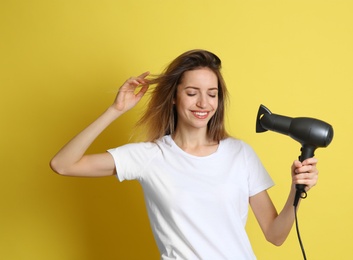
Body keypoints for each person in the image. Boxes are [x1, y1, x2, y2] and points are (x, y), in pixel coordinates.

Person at [50, 49, 319, 259]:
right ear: (175, 97)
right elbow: (63, 164)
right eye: (192, 93)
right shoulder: (149, 157)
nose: (203, 103)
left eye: (212, 94)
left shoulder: (240, 154)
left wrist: (296, 190)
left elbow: (275, 234)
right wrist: (116, 110)